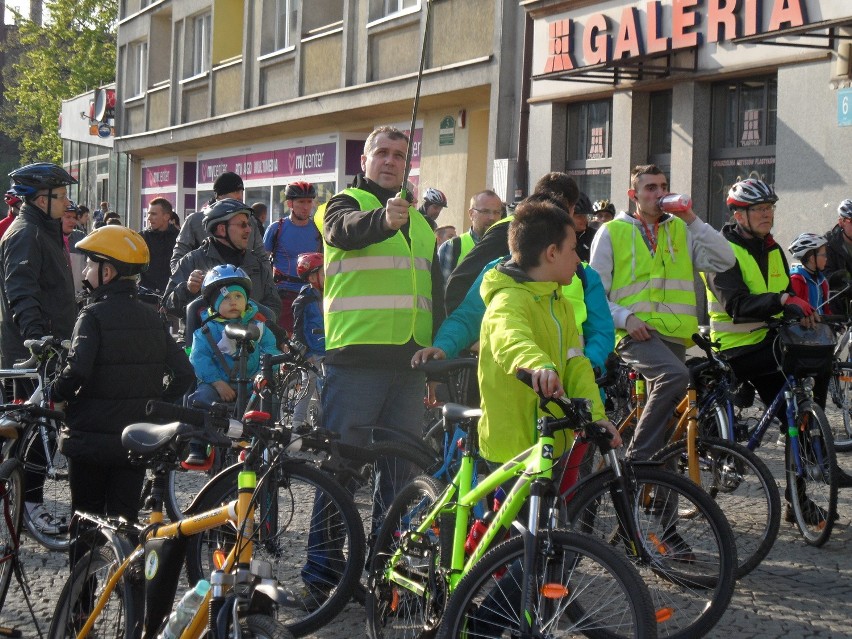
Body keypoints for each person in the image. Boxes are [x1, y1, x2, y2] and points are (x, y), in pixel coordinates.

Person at [704, 178, 851, 520]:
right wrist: (784, 300)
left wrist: (803, 311)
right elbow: (736, 304)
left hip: (771, 345)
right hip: (735, 348)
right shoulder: (721, 250)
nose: (767, 215)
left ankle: (797, 500)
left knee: (794, 415)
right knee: (785, 404)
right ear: (739, 214)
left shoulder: (773, 249)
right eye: (759, 209)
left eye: (770, 208)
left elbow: (786, 294)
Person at [49, 225, 193, 563]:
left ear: (108, 271)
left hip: (90, 441)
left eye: (89, 265)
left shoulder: (92, 315)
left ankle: (79, 609)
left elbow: (77, 372)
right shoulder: (153, 318)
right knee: (126, 528)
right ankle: (131, 604)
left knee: (85, 524)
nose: (84, 272)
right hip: (134, 442)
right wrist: (154, 407)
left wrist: (56, 393)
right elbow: (185, 375)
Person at [589, 164, 735, 462]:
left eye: (663, 186)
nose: (659, 193)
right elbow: (594, 294)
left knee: (670, 423)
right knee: (675, 376)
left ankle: (661, 502)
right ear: (634, 195)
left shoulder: (681, 228)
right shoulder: (611, 232)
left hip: (674, 336)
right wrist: (625, 318)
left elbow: (725, 260)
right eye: (651, 188)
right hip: (632, 333)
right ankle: (637, 460)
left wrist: (692, 219)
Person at [475, 198, 619, 466]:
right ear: (552, 253)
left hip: (553, 442)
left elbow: (576, 363)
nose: (579, 259)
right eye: (574, 249)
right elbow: (510, 338)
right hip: (513, 447)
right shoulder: (508, 299)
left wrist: (596, 415)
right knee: (512, 510)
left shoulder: (559, 302)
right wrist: (537, 365)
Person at [184, 265, 281, 464]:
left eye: (238, 297)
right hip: (216, 385)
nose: (233, 302)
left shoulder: (259, 327)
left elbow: (271, 350)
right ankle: (197, 446)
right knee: (200, 400)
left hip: (253, 385)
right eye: (226, 298)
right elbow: (198, 358)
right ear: (214, 303)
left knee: (271, 399)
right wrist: (217, 382)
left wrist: (264, 374)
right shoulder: (206, 330)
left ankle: (268, 445)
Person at [444, 172, 579, 314]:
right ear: (570, 207)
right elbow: (459, 282)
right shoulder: (513, 228)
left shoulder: (561, 234)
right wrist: (478, 331)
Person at [164, 198, 280, 325]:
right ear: (221, 229)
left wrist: (253, 322)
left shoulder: (256, 263)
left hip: (249, 341)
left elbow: (273, 306)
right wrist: (187, 289)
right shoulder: (192, 261)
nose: (248, 230)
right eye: (242, 225)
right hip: (201, 342)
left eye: (248, 224)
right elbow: (168, 307)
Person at [171, 171, 265, 271]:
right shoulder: (195, 221)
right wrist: (192, 282)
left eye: (242, 192)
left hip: (244, 283)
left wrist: (265, 283)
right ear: (220, 196)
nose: (240, 197)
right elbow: (177, 260)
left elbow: (262, 256)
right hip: (207, 283)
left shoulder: (250, 220)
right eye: (235, 192)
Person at [263, 181, 322, 334]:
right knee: (285, 340)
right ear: (290, 203)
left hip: (312, 294)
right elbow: (262, 262)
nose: (306, 206)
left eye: (309, 202)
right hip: (284, 294)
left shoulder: (318, 228)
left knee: (312, 340)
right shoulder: (277, 228)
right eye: (301, 202)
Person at [290, 252, 325, 431]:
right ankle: (297, 422)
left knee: (329, 385)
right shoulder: (304, 300)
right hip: (312, 351)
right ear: (312, 277)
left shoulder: (330, 296)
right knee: (308, 382)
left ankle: (325, 420)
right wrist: (306, 353)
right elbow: (298, 330)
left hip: (328, 348)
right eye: (324, 273)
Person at [438, 189, 503, 284]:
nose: (492, 217)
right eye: (485, 211)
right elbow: (442, 291)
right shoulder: (452, 247)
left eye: (497, 212)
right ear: (471, 214)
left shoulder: (508, 246)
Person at [140, 197, 179, 295]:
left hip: (171, 296)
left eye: (153, 214)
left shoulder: (179, 238)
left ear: (166, 217)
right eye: (149, 214)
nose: (149, 218)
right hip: (146, 297)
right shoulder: (141, 238)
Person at [823, 199, 852, 314]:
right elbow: (825, 275)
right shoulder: (828, 244)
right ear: (841, 222)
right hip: (840, 303)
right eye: (851, 220)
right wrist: (846, 282)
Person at [788, 233, 830, 314]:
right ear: (812, 259)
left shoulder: (822, 281)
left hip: (821, 325)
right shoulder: (796, 281)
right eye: (824, 255)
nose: (826, 258)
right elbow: (793, 311)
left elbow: (826, 310)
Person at [573, 192, 596, 261]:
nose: (585, 220)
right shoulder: (559, 237)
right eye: (579, 216)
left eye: (585, 216)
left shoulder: (594, 236)